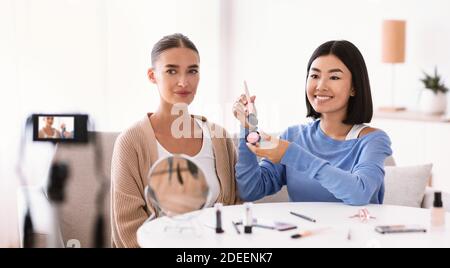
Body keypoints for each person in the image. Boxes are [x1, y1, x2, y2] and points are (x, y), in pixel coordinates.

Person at [111, 33, 240, 248]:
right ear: (152, 75)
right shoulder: (130, 142)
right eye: (171, 71)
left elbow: (236, 207)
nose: (183, 81)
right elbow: (128, 229)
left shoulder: (219, 137)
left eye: (192, 71)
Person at [233, 40, 392, 206]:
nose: (321, 86)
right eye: (314, 76)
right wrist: (248, 126)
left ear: (354, 88)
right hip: (303, 231)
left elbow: (359, 193)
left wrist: (291, 154)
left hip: (356, 231)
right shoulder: (293, 136)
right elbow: (250, 190)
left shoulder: (373, 140)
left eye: (334, 77)